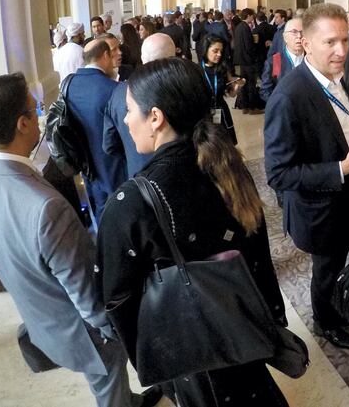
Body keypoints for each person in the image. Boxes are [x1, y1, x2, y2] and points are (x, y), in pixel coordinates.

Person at [0, 73, 160, 407]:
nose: (41, 114)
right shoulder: (46, 208)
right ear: (23, 124)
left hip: (42, 318)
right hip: (83, 333)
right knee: (108, 385)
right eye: (35, 108)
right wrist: (117, 331)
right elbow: (87, 296)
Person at [97, 58, 287, 406]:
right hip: (244, 329)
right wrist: (272, 319)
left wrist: (154, 363)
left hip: (193, 354)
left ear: (155, 117)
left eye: (129, 110)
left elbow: (117, 301)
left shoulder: (131, 204)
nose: (126, 121)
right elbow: (258, 254)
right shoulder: (229, 165)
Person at [264, 2, 349, 350]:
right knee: (326, 272)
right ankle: (325, 322)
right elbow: (279, 174)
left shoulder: (337, 78)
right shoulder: (289, 96)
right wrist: (343, 168)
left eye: (345, 40)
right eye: (330, 42)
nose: (341, 50)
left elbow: (339, 126)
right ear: (307, 43)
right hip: (323, 210)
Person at [66, 39, 127, 226]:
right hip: (115, 168)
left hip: (88, 169)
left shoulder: (69, 85)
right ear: (105, 55)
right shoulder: (114, 89)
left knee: (100, 216)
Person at [103, 33, 177, 180]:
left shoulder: (119, 92)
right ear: (173, 57)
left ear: (143, 58)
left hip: (139, 177)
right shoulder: (186, 87)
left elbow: (109, 145)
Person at [199, 33, 241, 145]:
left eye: (221, 51)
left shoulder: (223, 68)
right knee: (210, 146)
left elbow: (231, 94)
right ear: (206, 49)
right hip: (205, 114)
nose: (219, 54)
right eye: (215, 51)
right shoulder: (197, 70)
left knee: (226, 145)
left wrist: (237, 86)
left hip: (221, 112)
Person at [260, 17, 304, 102]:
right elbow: (265, 91)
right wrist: (280, 107)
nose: (299, 36)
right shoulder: (275, 61)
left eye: (303, 32)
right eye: (294, 32)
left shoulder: (314, 59)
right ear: (285, 37)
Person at [233, 8, 264, 113]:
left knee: (244, 84)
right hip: (248, 60)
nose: (253, 17)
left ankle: (245, 107)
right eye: (252, 16)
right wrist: (255, 44)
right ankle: (252, 108)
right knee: (251, 84)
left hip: (241, 60)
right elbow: (248, 46)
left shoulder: (238, 27)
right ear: (248, 16)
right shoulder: (245, 27)